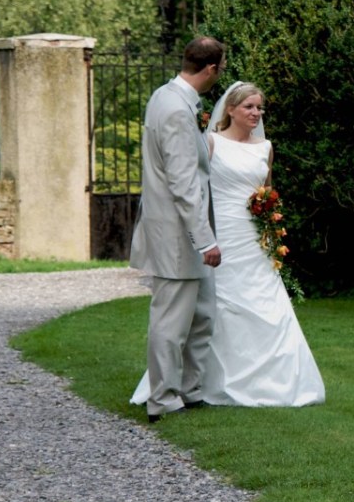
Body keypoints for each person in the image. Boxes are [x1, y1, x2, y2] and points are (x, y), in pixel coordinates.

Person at [132, 81, 325, 407]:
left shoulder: (265, 147)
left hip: (252, 237)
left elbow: (267, 190)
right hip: (220, 234)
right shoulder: (211, 143)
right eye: (249, 106)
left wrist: (268, 216)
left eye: (259, 107)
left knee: (266, 302)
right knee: (213, 309)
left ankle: (273, 382)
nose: (256, 113)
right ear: (230, 109)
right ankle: (197, 384)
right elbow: (196, 190)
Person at [130, 37, 226, 423]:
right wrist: (205, 240)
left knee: (202, 314)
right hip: (177, 234)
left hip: (183, 231)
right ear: (211, 69)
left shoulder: (169, 98)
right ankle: (163, 399)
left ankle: (190, 389)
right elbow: (184, 182)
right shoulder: (174, 108)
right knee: (171, 321)